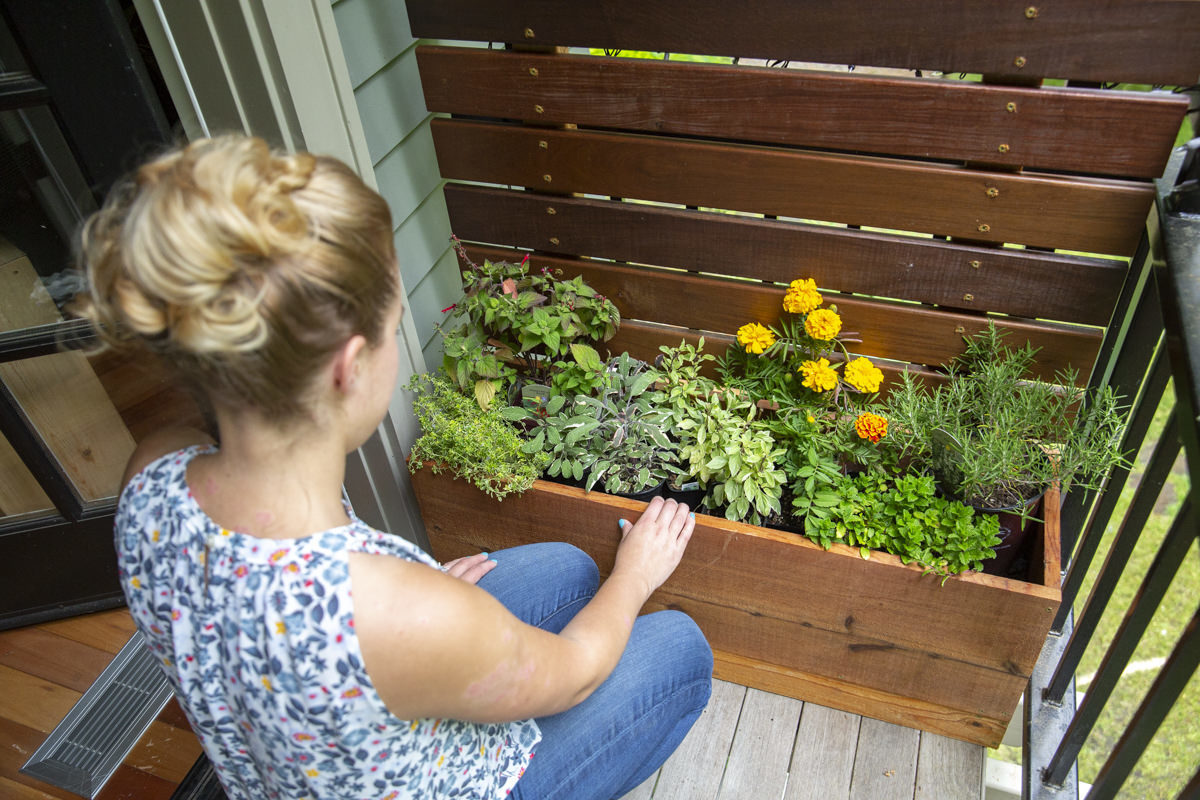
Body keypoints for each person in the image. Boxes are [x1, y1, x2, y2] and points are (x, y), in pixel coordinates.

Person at [73, 134, 712, 800]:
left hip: (296, 747)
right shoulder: (387, 612)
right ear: (350, 366)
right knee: (678, 648)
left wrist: (421, 594)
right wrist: (635, 576)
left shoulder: (151, 470)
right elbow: (578, 672)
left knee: (571, 571)